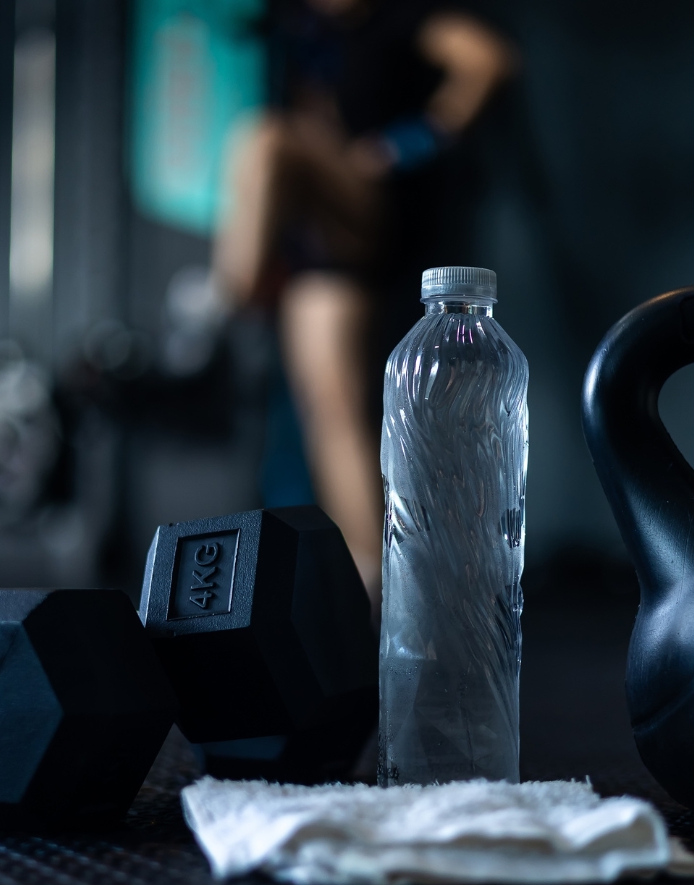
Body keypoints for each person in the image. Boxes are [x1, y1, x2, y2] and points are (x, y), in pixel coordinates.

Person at [214, 0, 513, 610]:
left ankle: (221, 299)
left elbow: (489, 60)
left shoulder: (399, 19)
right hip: (312, 240)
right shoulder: (303, 30)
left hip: (367, 207)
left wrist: (419, 137)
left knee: (264, 140)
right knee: (332, 407)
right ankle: (372, 582)